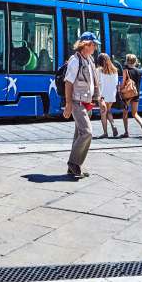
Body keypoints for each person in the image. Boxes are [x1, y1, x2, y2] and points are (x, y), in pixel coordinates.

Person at [62, 32, 103, 179]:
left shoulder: (90, 60)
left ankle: (74, 167)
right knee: (87, 132)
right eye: (94, 44)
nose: (95, 47)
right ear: (86, 45)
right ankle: (73, 163)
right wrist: (68, 104)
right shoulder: (75, 60)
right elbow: (68, 82)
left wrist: (100, 99)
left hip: (87, 103)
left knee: (79, 134)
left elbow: (95, 82)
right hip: (77, 102)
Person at [119, 54, 142, 138]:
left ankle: (126, 132)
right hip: (136, 94)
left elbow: (124, 82)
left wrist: (120, 89)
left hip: (127, 95)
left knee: (125, 113)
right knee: (135, 113)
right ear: (135, 61)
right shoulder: (139, 71)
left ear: (127, 61)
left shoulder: (125, 71)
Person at [95, 53, 119, 139]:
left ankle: (105, 132)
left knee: (103, 114)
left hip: (102, 95)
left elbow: (97, 83)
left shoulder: (98, 70)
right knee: (108, 111)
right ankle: (113, 125)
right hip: (112, 95)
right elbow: (116, 83)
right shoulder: (114, 70)